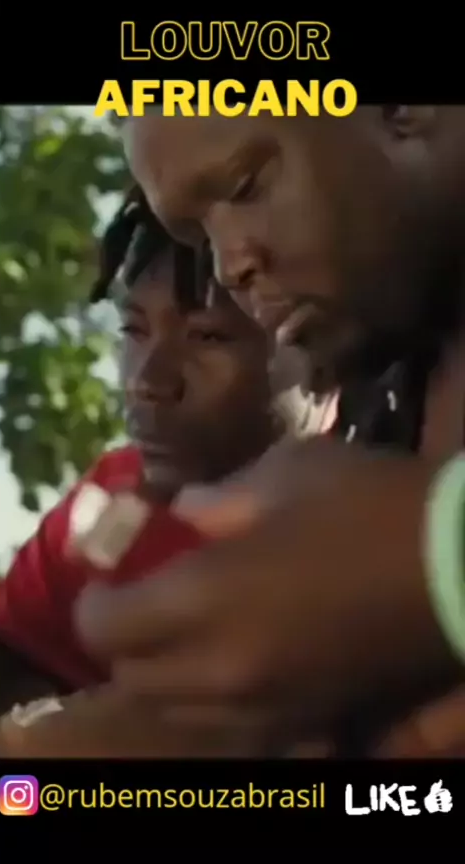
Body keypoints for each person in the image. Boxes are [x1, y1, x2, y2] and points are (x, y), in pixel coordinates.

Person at [54, 107, 465, 752]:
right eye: (199, 236)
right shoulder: (391, 382)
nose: (227, 268)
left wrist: (437, 552)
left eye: (245, 187)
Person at [0, 185, 277, 731]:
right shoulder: (115, 500)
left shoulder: (373, 510)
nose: (148, 379)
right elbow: (12, 648)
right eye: (133, 330)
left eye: (207, 336)